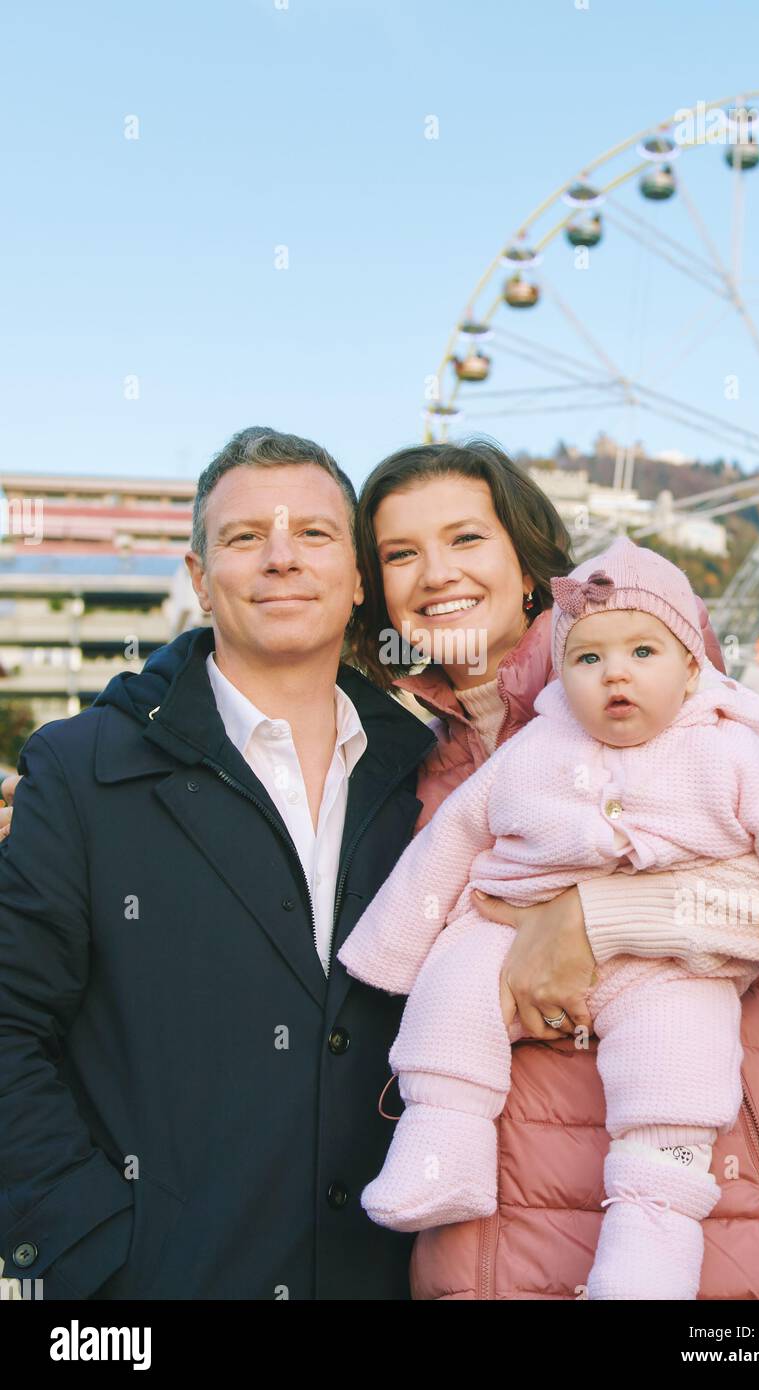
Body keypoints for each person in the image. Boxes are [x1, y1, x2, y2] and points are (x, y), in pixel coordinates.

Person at [348, 439, 759, 1300]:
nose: (436, 573)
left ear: (526, 564)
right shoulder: (408, 756)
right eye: (402, 553)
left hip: (719, 1217)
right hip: (491, 1232)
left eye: (466, 539)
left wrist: (593, 918)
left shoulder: (648, 681)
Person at [0, 427, 440, 1300]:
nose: (282, 559)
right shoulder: (81, 770)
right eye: (246, 538)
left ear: (358, 577)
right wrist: (88, 1245)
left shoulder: (431, 781)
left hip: (395, 1278)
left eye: (315, 535)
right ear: (201, 579)